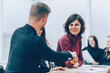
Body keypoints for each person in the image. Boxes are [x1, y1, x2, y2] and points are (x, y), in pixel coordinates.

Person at [5, 2, 77, 73]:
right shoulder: (36, 40)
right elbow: (53, 56)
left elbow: (27, 63)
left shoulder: (17, 32)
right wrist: (70, 54)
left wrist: (49, 70)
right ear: (44, 19)